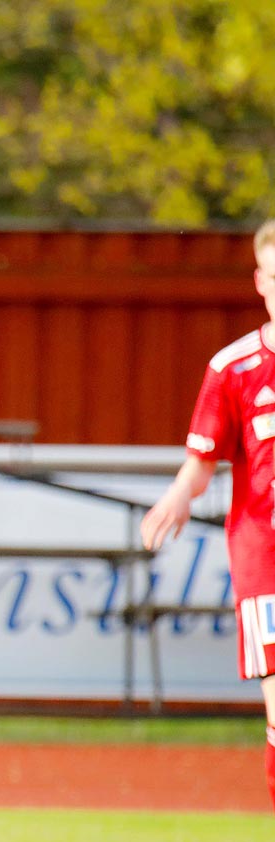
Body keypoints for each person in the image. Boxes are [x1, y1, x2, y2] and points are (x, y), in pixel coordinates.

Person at [142, 217, 275, 809]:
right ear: (260, 281)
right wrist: (178, 493)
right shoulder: (234, 368)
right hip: (265, 556)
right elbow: (202, 459)